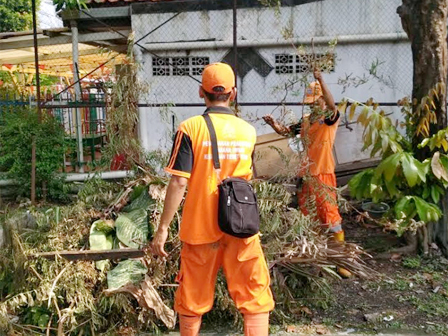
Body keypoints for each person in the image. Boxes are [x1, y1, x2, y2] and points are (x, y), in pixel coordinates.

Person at [149, 62, 275, 336]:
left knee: (192, 299)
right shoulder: (248, 131)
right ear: (233, 93)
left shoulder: (190, 128)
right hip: (240, 225)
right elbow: (247, 178)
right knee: (255, 296)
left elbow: (180, 180)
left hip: (200, 229)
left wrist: (162, 230)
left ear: (200, 92)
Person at [263, 68, 350, 277]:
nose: (314, 105)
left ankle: (342, 262)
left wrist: (321, 79)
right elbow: (287, 131)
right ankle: (316, 261)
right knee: (308, 218)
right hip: (306, 176)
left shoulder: (329, 119)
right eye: (311, 102)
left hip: (323, 175)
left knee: (331, 219)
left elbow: (332, 105)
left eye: (316, 101)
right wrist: (274, 124)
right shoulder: (306, 121)